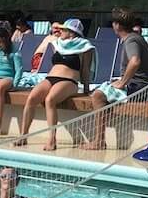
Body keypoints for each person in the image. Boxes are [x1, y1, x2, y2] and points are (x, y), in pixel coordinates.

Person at [83, 7, 148, 150]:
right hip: (141, 86)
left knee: (98, 96)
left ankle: (99, 141)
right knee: (102, 90)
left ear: (117, 25)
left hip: (138, 89)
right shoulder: (134, 38)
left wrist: (122, 82)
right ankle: (101, 134)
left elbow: (135, 61)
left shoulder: (130, 40)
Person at [19, 19, 93, 151]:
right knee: (31, 98)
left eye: (64, 29)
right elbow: (54, 29)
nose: (60, 31)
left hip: (69, 81)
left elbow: (85, 69)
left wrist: (86, 89)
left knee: (50, 100)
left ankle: (52, 139)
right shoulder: (57, 44)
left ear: (72, 33)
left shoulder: (85, 46)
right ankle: (23, 135)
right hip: (51, 78)